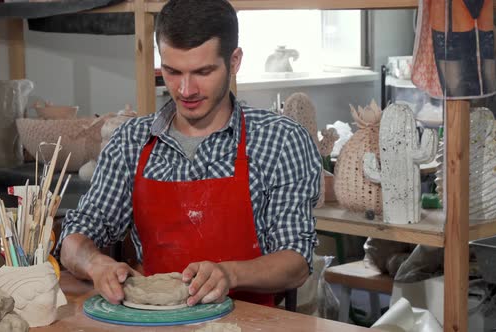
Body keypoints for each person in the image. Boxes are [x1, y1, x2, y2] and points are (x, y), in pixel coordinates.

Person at [57, 0, 322, 308]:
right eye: (172, 71)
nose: (185, 89)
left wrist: (229, 273)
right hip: (156, 321)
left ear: (234, 61)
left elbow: (296, 261)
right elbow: (76, 236)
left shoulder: (280, 140)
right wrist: (95, 264)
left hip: (251, 322)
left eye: (202, 71)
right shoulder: (132, 142)